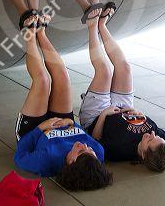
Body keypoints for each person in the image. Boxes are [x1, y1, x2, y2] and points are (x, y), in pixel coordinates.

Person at [14, 14, 113, 191]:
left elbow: (20, 155)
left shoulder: (46, 162)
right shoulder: (96, 153)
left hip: (35, 130)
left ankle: (29, 34)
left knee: (43, 81)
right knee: (63, 78)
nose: (85, 146)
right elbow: (84, 135)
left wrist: (41, 128)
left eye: (82, 151)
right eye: (89, 150)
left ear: (71, 162)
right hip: (65, 123)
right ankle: (42, 32)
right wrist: (70, 122)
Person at [79, 7, 165, 172]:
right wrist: (138, 112)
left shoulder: (118, 151)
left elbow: (94, 139)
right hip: (124, 108)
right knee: (125, 68)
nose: (152, 134)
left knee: (105, 71)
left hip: (97, 115)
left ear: (142, 154)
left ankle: (92, 26)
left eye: (149, 140)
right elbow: (147, 124)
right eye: (156, 136)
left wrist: (103, 115)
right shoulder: (163, 143)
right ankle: (102, 25)